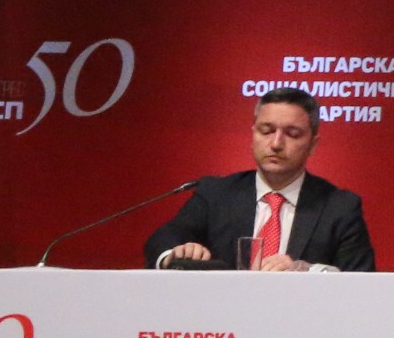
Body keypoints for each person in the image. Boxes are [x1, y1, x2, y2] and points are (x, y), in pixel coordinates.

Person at [143, 86, 375, 272]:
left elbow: (361, 279)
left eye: (292, 134)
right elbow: (161, 240)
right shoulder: (216, 193)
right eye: (266, 131)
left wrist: (307, 271)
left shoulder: (339, 207)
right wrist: (176, 254)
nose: (276, 143)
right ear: (253, 134)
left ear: (313, 145)